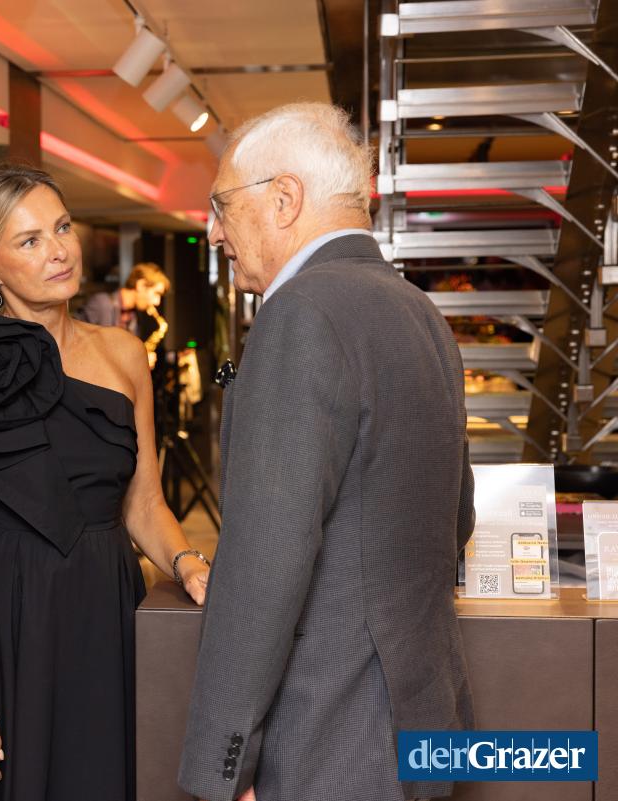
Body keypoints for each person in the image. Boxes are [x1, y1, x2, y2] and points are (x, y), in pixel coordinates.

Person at [0, 164, 210, 801]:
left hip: (103, 616)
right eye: (29, 240)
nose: (59, 251)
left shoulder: (123, 354)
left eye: (62, 228)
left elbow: (143, 504)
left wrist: (187, 561)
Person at [178, 103, 474, 801]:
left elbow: (263, 564)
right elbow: (456, 516)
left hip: (330, 738)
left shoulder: (299, 315)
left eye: (222, 206)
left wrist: (223, 767)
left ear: (284, 199)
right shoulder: (420, 311)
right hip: (423, 720)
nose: (214, 230)